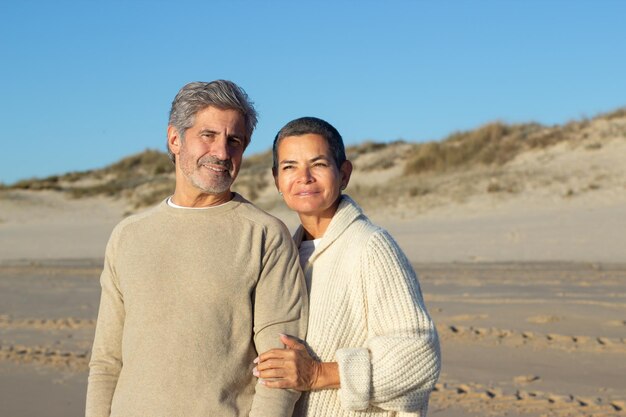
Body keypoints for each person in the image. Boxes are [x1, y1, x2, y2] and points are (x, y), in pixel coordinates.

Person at [86, 80, 308, 417]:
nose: (221, 152)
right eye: (208, 135)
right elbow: (106, 361)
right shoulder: (128, 236)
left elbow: (280, 372)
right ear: (175, 139)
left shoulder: (265, 235)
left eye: (235, 141)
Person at [253, 117, 440, 416]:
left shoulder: (371, 246)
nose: (304, 177)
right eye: (290, 167)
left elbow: (419, 358)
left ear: (343, 174)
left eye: (318, 164)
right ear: (277, 180)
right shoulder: (280, 255)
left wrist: (317, 373)